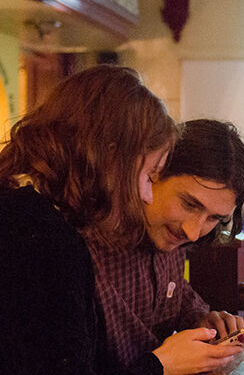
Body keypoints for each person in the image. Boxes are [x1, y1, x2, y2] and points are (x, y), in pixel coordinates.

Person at [0, 65, 178, 374]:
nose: (149, 195)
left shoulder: (21, 210)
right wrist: (160, 365)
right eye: (149, 175)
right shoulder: (46, 241)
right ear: (111, 156)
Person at [88, 119, 244, 374]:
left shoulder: (168, 236)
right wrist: (162, 365)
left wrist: (202, 320)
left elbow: (173, 293)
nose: (193, 231)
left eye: (213, 218)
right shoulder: (84, 244)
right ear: (151, 173)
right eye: (189, 204)